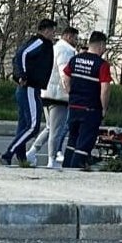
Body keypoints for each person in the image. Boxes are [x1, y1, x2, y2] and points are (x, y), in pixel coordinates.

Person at [0, 19, 56, 168]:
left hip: (31, 88)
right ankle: (7, 154)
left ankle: (21, 157)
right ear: (46, 30)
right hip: (29, 87)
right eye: (53, 31)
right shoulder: (39, 42)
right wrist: (22, 75)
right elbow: (21, 54)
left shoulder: (44, 44)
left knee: (23, 125)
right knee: (33, 126)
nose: (54, 34)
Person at [61, 31, 114, 170]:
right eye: (105, 46)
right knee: (85, 142)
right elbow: (105, 89)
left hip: (74, 106)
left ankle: (66, 167)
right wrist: (104, 108)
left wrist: (71, 92)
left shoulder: (75, 59)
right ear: (101, 45)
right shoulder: (102, 65)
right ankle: (76, 169)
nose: (105, 50)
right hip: (90, 109)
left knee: (73, 139)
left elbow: (66, 78)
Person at [28, 26, 79, 168]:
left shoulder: (55, 47)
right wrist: (70, 91)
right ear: (68, 36)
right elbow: (65, 72)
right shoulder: (66, 50)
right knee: (57, 130)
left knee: (50, 128)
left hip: (47, 92)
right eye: (75, 38)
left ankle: (32, 152)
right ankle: (51, 160)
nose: (76, 41)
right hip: (59, 95)